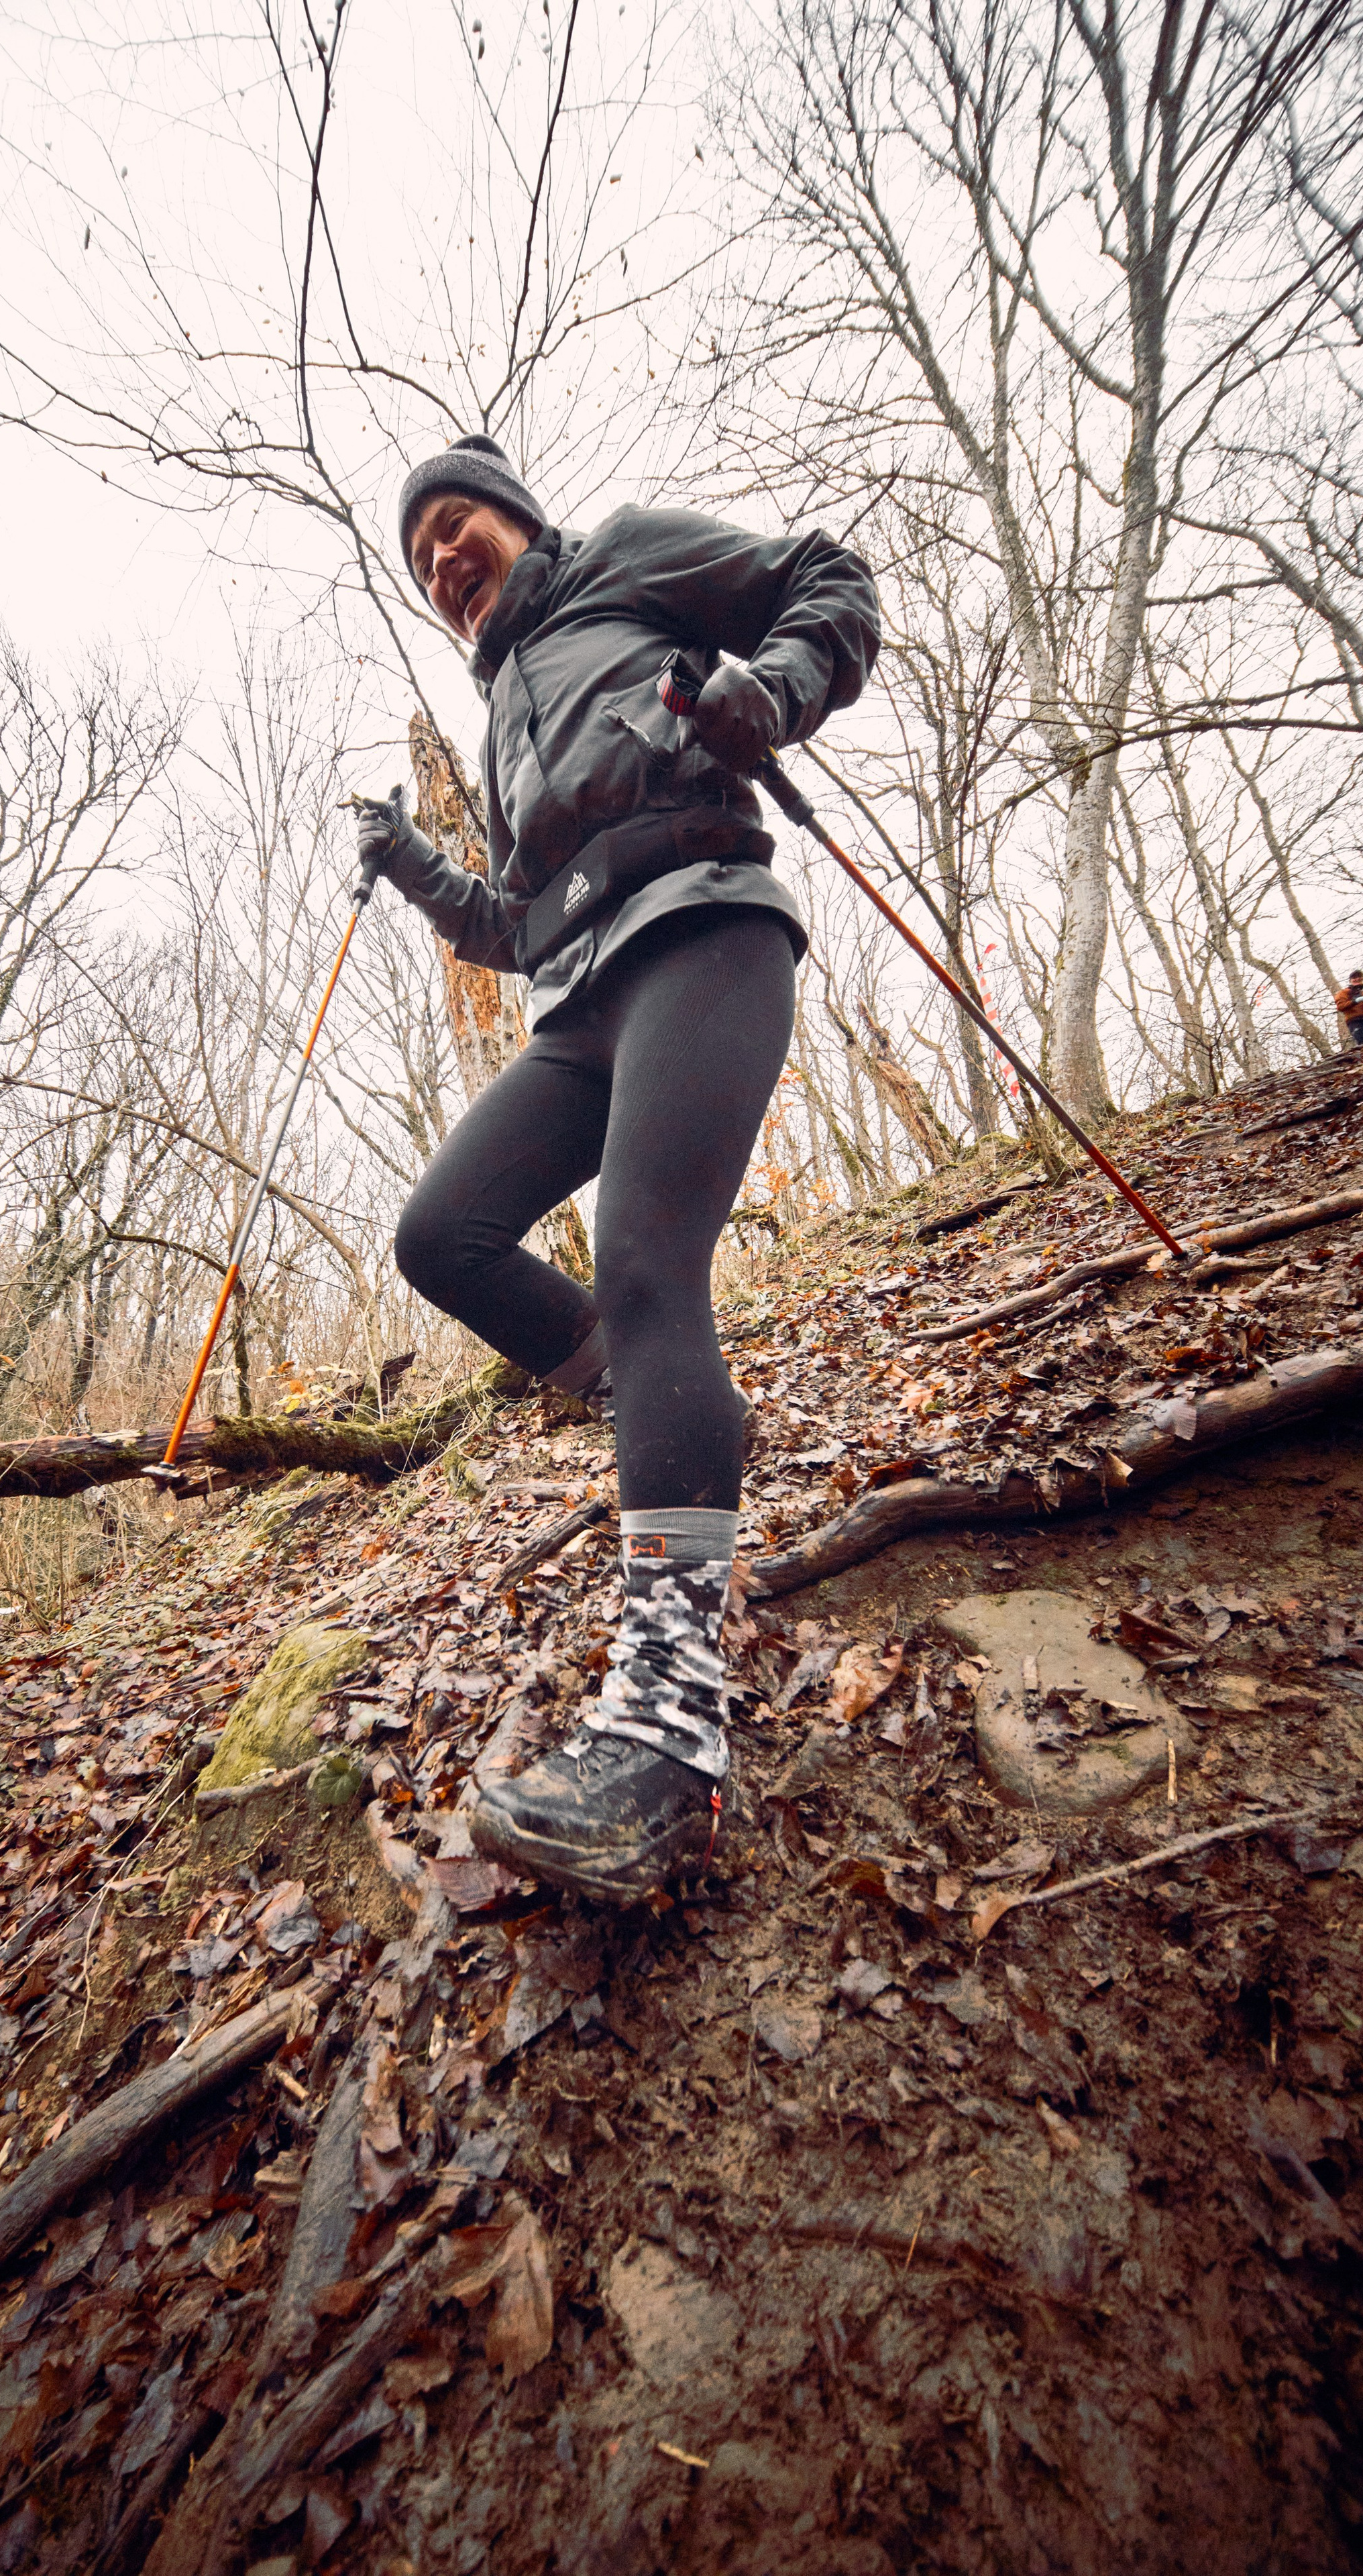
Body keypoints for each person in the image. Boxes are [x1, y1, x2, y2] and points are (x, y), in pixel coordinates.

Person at [356, 434, 879, 1902]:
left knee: (649, 1262)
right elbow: (517, 922)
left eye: (456, 528)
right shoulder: (502, 715)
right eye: (421, 562)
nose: (443, 564)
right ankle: (668, 1412)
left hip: (703, 928)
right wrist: (414, 867)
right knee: (440, 1234)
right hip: (581, 999)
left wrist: (765, 691)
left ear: (516, 520)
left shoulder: (627, 561)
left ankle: (666, 1736)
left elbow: (825, 580)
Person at [1335, 969, 1363, 1049]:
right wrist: (1354, 1002)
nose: (1357, 979)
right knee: (1361, 1039)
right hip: (1355, 1019)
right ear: (1350, 980)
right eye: (1354, 978)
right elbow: (1341, 1006)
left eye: (1359, 977)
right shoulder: (1344, 992)